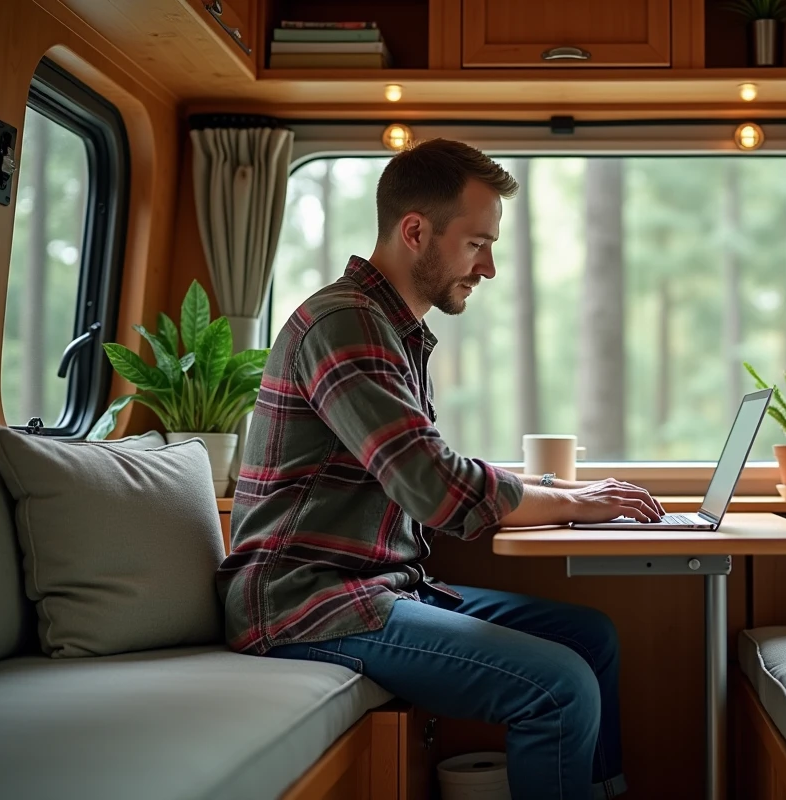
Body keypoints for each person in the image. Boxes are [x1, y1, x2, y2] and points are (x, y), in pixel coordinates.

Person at [216, 138, 665, 800]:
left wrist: (574, 492)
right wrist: (573, 503)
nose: (488, 268)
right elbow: (434, 485)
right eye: (477, 244)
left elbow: (435, 466)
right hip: (304, 601)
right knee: (558, 686)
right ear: (416, 231)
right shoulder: (346, 324)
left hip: (383, 586)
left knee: (589, 638)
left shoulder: (392, 330)